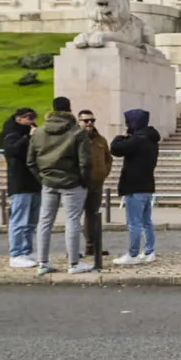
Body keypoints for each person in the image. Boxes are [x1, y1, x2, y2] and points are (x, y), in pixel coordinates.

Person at [27, 97, 94, 275]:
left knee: (45, 222)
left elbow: (31, 161)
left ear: (52, 109)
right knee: (72, 221)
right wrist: (85, 181)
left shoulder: (39, 132)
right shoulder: (77, 132)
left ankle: (42, 262)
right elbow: (85, 162)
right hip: (72, 182)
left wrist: (42, 178)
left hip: (49, 181)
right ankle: (73, 263)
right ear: (70, 110)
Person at [110, 109, 161, 265]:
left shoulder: (137, 140)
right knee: (146, 221)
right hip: (147, 185)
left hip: (134, 185)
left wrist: (121, 136)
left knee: (134, 223)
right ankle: (149, 251)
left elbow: (115, 149)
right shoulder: (152, 139)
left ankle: (133, 254)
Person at [3, 108, 40, 268]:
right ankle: (16, 253)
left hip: (34, 182)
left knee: (31, 221)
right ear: (19, 119)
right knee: (19, 220)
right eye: (28, 118)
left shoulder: (31, 134)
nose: (31, 121)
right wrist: (28, 137)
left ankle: (27, 250)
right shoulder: (12, 134)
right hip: (19, 184)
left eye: (32, 118)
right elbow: (13, 151)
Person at [77, 110, 113, 258]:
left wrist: (103, 173)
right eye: (86, 121)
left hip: (96, 183)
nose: (89, 123)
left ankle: (91, 246)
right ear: (79, 122)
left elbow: (108, 159)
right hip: (78, 184)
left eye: (92, 120)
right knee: (74, 216)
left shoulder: (100, 140)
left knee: (92, 215)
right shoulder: (74, 138)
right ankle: (73, 250)